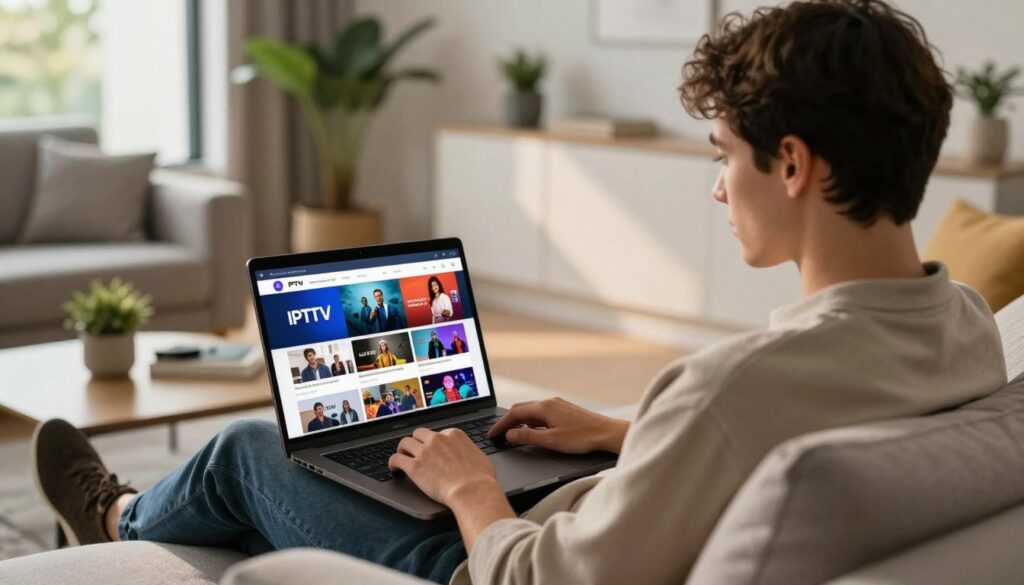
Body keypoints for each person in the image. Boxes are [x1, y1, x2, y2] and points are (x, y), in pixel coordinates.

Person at [30, 2, 1010, 584]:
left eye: (724, 156)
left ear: (789, 164)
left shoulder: (725, 389)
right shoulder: (962, 325)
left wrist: (471, 490)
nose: (718, 186)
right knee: (354, 461)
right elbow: (815, 425)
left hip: (489, 556)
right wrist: (633, 433)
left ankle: (117, 520)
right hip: (612, 501)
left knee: (252, 449)